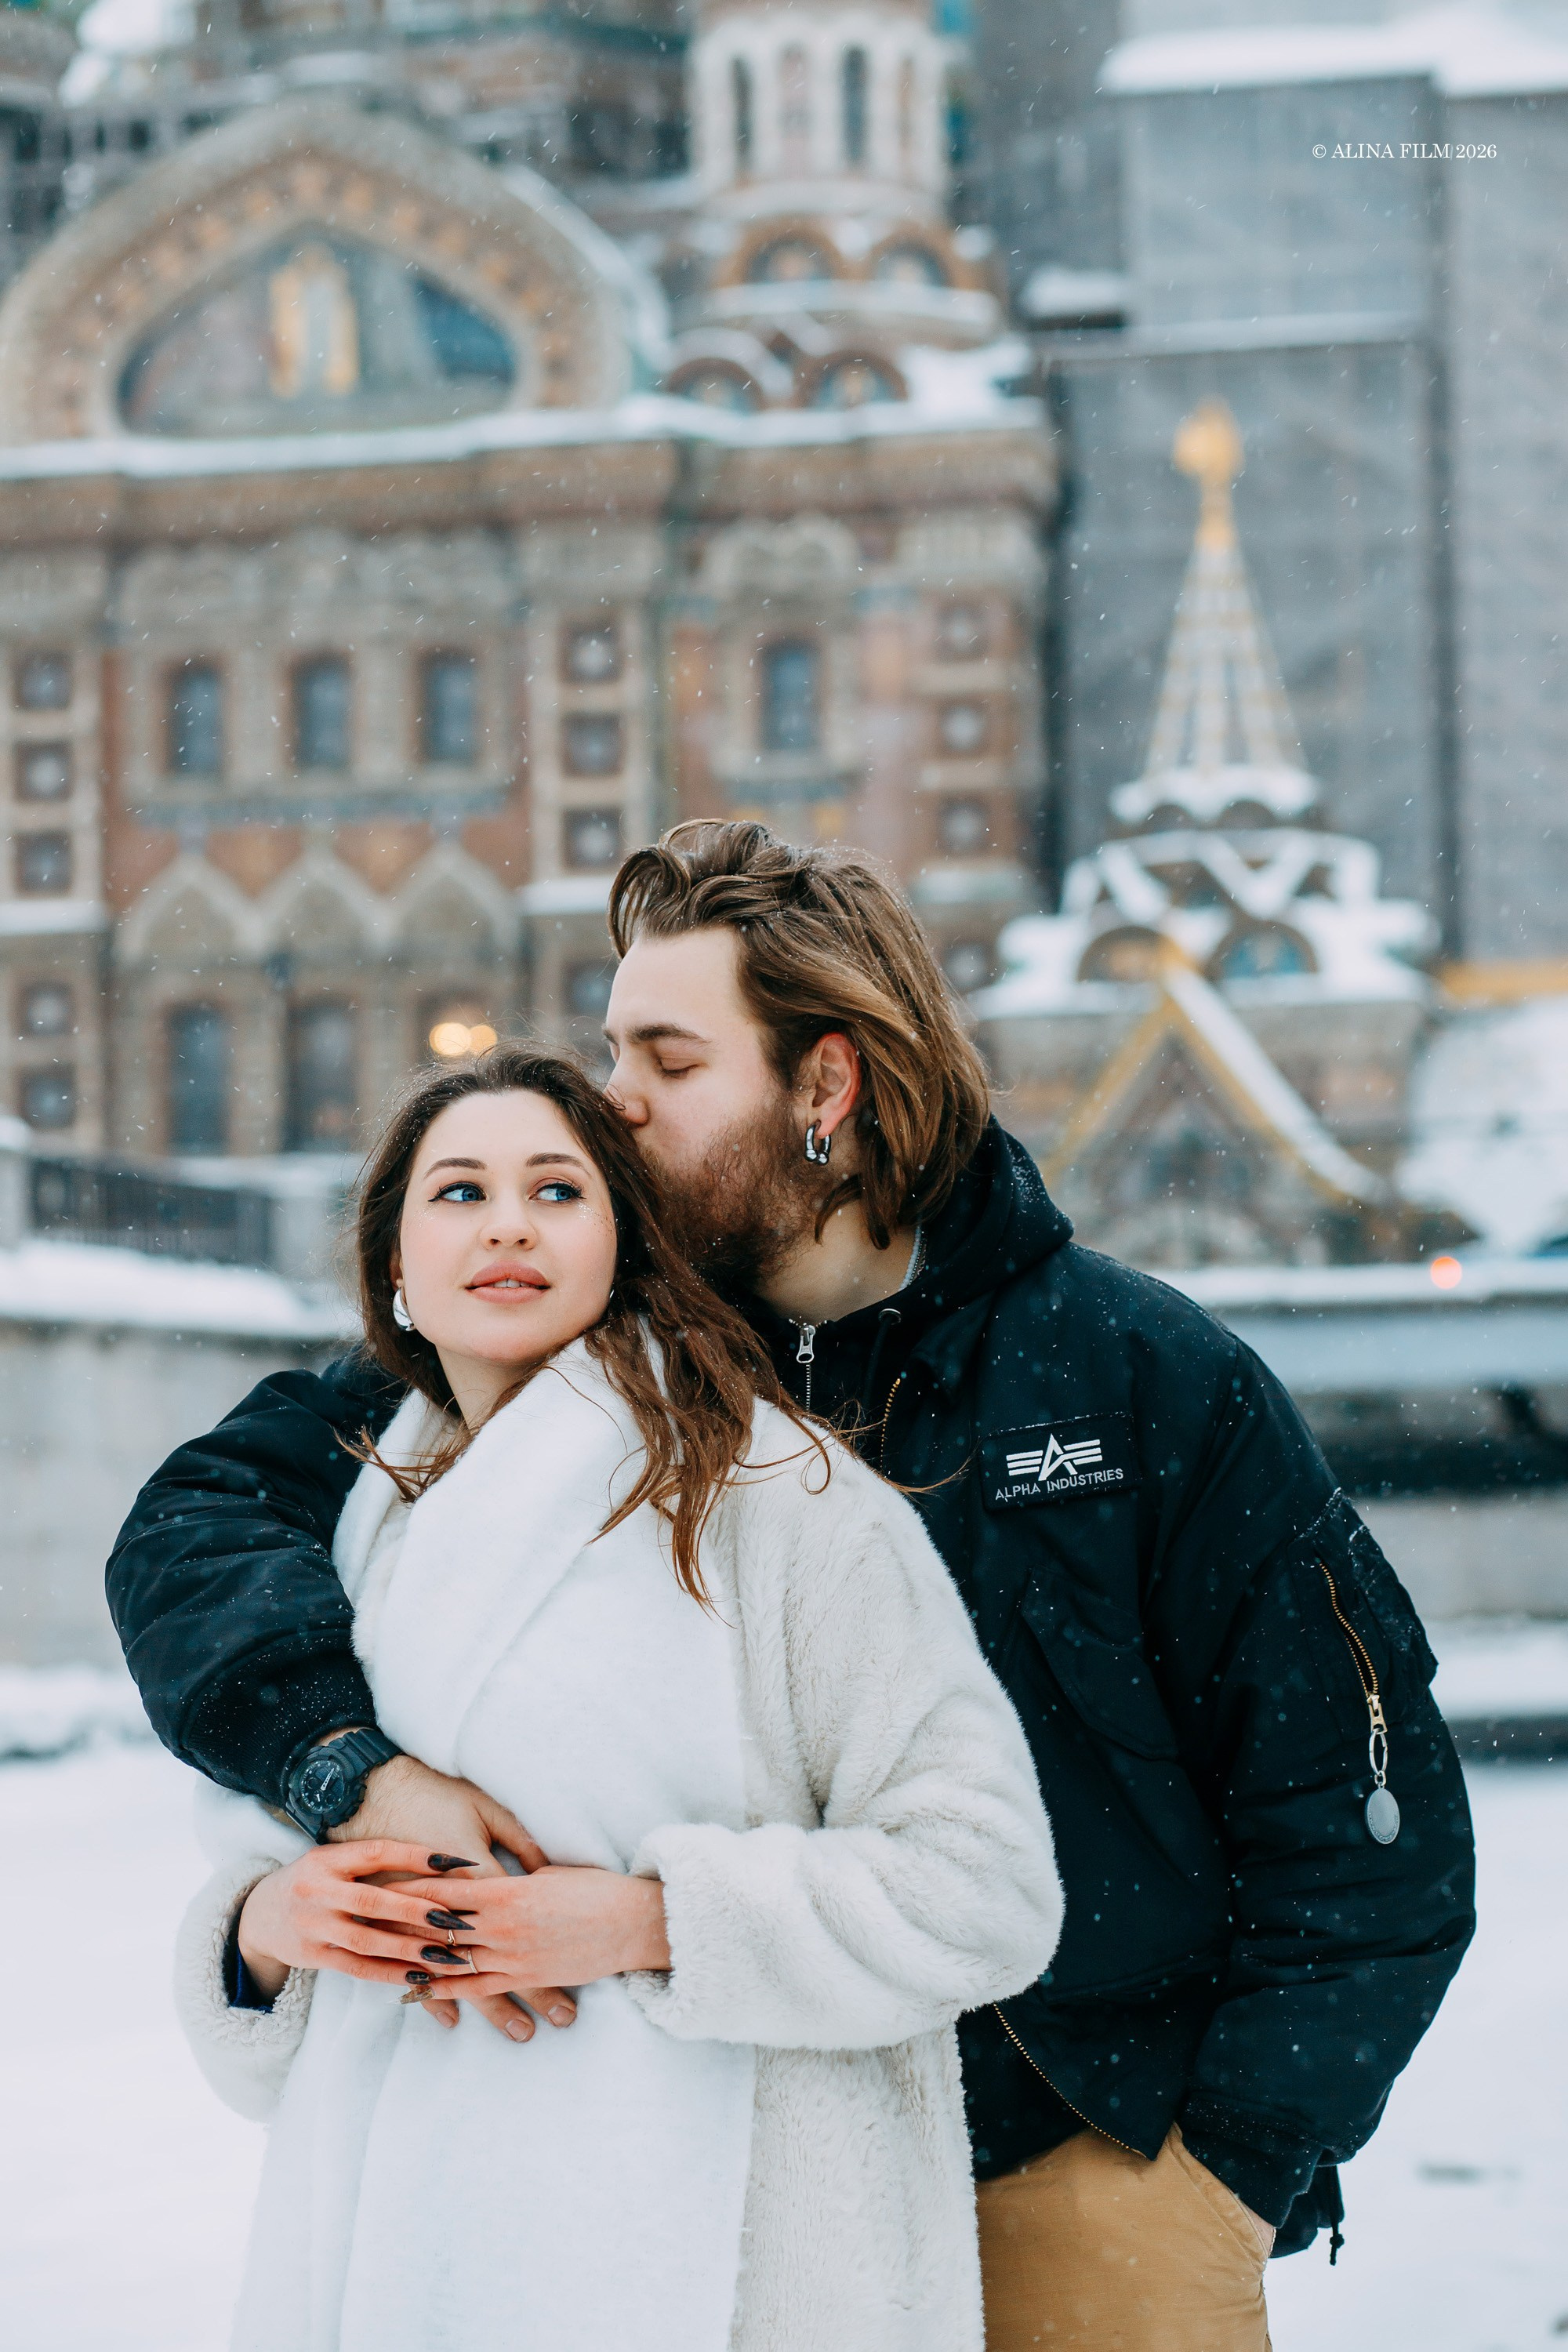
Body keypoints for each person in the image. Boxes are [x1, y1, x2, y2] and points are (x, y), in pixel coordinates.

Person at [114, 822, 1476, 2352]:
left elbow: (1365, 1822)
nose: (612, 1102)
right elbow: (198, 1525)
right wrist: (346, 1774)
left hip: (1070, 2177)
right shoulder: (557, 1367)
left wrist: (1217, 2166)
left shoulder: (1139, 1381)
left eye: (668, 1059)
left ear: (822, 1086)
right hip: (706, 2195)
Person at [172, 1044, 1062, 2352]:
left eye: (558, 1190)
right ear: (396, 1271)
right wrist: (273, 1926)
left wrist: (652, 1923)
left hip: (732, 2268)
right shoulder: (361, 1525)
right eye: (459, 1193)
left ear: (625, 1245)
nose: (509, 1226)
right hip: (409, 2267)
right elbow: (261, 1918)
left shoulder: (784, 1503)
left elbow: (986, 1891)